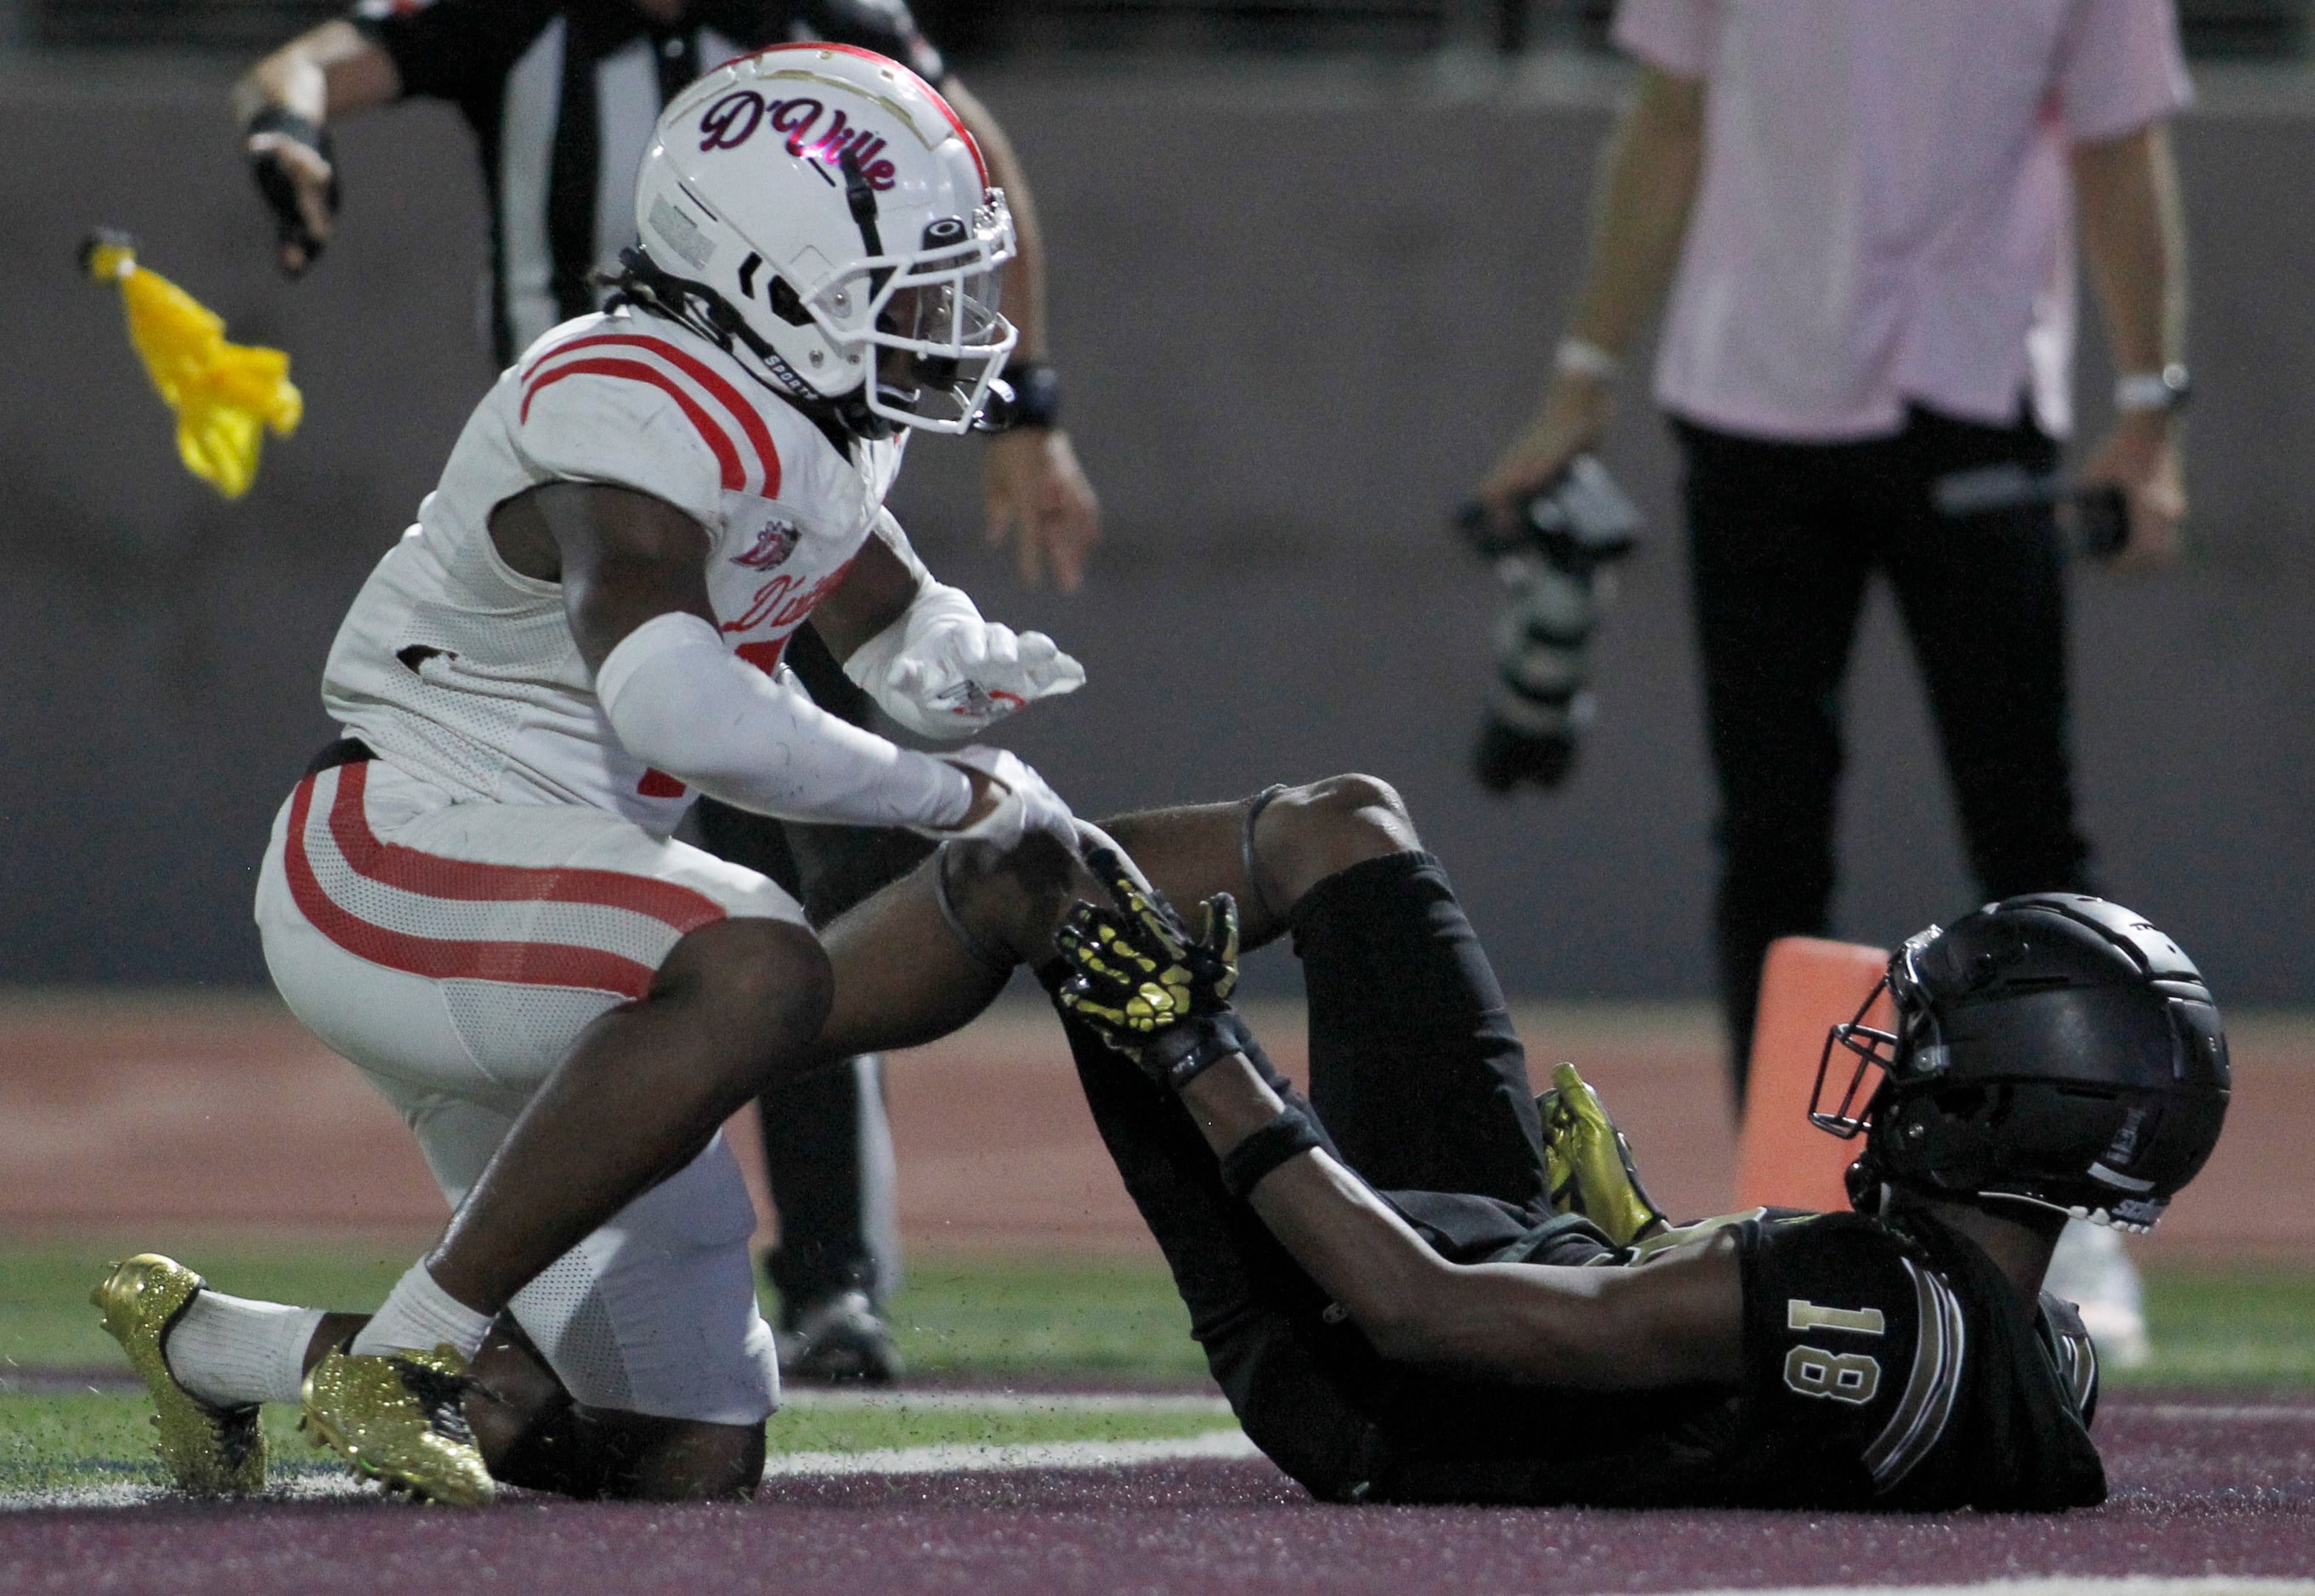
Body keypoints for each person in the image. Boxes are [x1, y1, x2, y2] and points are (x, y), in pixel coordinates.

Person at [95, 50, 1082, 1504]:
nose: (953, 322)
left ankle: (223, 1348)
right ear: (772, 273)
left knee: (688, 1445)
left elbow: (874, 600)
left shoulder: (794, 410)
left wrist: (952, 654)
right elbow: (677, 701)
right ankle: (416, 1345)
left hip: (568, 931)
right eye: (912, 283)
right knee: (760, 960)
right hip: (394, 850)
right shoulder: (617, 388)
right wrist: (940, 795)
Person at [800, 778, 2226, 1508]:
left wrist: (1197, 1048)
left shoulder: (1878, 1304)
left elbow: (1422, 1311)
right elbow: (1760, 1373)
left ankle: (715, 1020)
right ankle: (808, 956)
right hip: (1525, 1288)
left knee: (1041, 876)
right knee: (1344, 828)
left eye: (1925, 1043)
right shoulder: (2042, 1362)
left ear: (1991, 1106)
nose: (1888, 1055)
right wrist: (1665, 1255)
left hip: (1373, 1367)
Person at [1471, 0, 2194, 1099]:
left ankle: (2067, 1186)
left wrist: (2149, 412)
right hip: (1753, 398)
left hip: (1970, 392)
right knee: (1772, 838)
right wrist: (1581, 377)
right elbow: (1667, 114)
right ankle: (1795, 1195)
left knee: (2026, 829)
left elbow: (2121, 138)